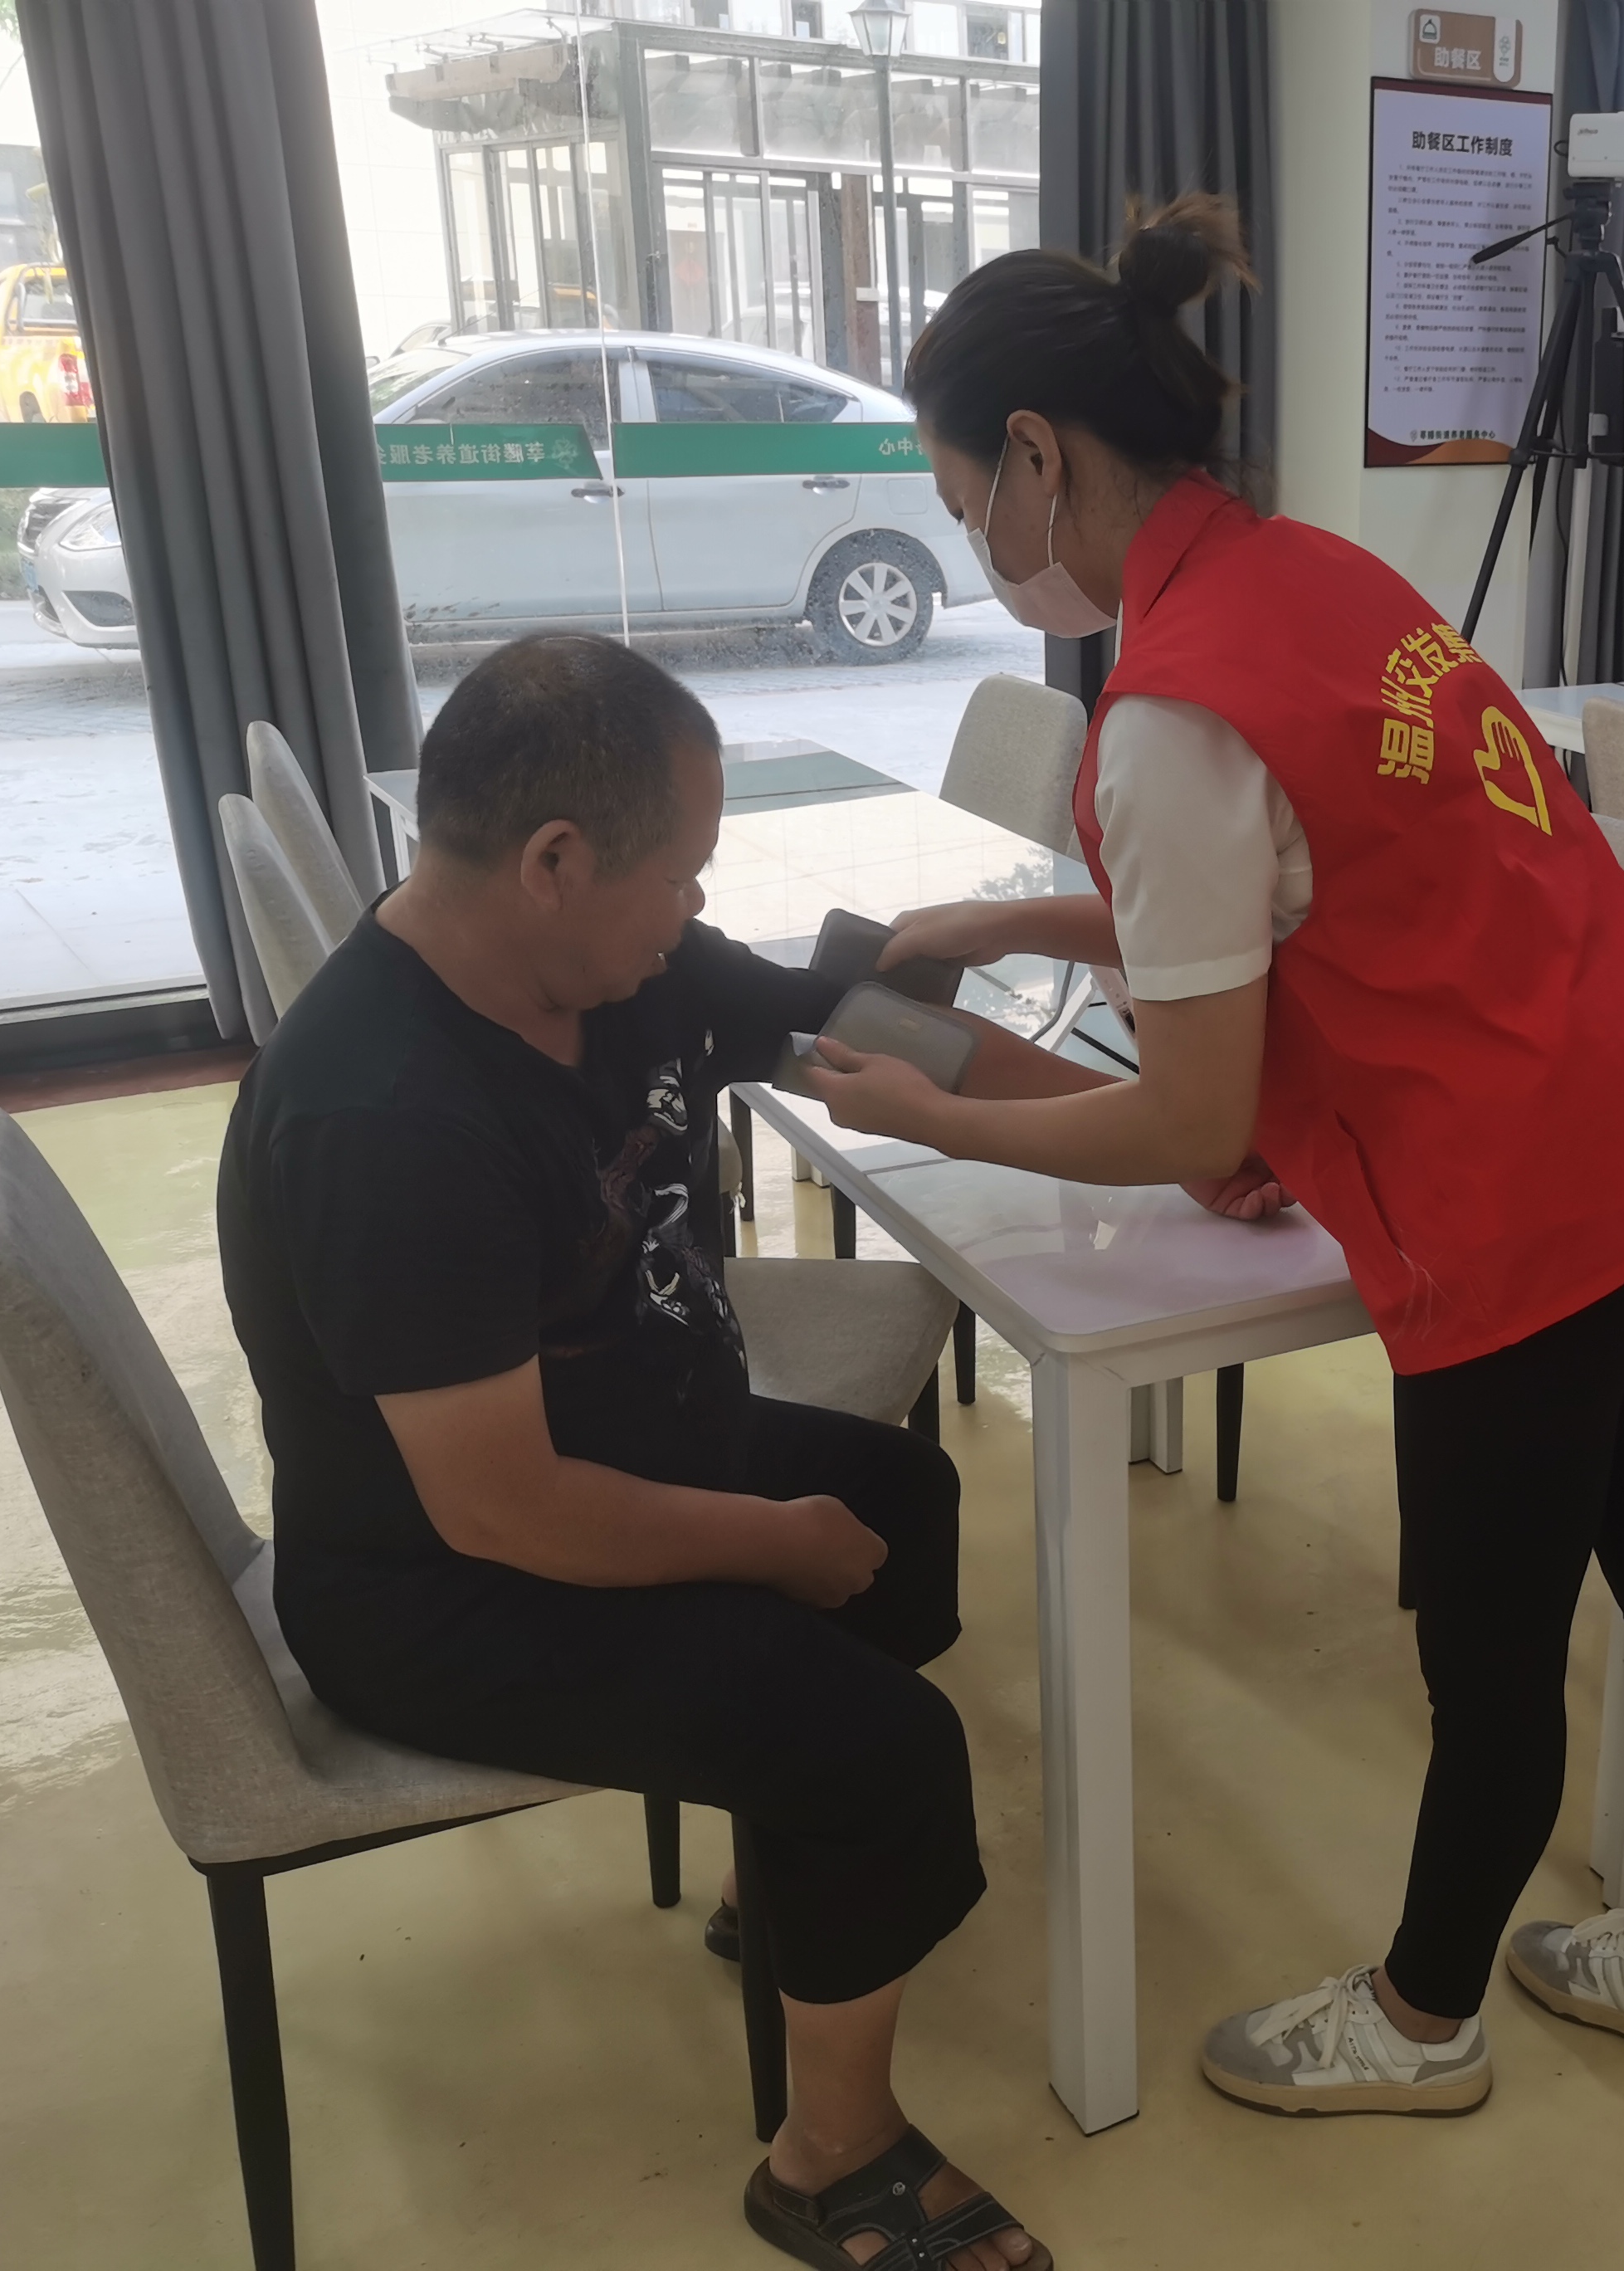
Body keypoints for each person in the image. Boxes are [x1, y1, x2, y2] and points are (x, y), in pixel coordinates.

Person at [806, 195, 1624, 2114]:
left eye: (960, 499)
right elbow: (1314, 883)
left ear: (1035, 457)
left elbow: (1194, 1120)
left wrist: (927, 1114)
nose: (972, 540)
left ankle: (1422, 2025)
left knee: (1491, 1659)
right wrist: (1011, 922)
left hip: (1527, 1199)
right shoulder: (1309, 576)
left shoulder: (1169, 708)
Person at [217, 635, 1046, 2271]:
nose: (696, 905)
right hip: (436, 1585)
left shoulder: (613, 967)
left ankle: (778, 1872)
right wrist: (773, 1540)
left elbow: (859, 1026)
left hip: (629, 1442)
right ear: (554, 862)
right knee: (882, 1742)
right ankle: (832, 2162)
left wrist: (1161, 1129)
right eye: (682, 873)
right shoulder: (387, 1119)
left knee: (908, 1502)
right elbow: (504, 1509)